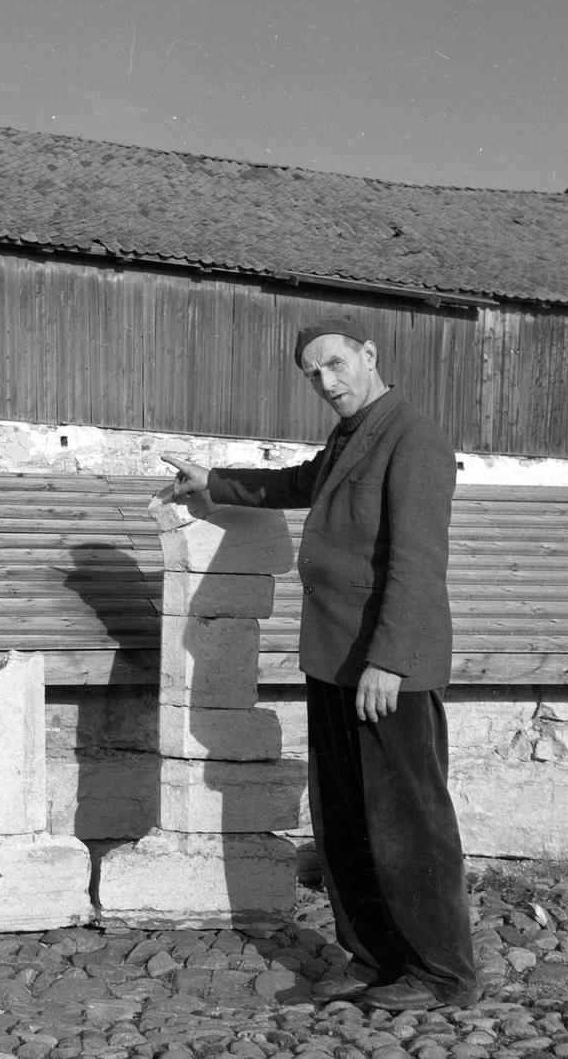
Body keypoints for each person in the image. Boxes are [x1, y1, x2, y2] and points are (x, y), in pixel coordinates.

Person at [162, 315, 478, 1012]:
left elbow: (418, 564)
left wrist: (388, 661)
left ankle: (441, 974)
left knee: (407, 823)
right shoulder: (351, 436)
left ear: (369, 355)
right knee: (345, 820)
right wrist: (211, 482)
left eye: (335, 364)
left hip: (383, 666)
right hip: (335, 656)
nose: (326, 381)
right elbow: (299, 483)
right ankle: (374, 960)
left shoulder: (414, 439)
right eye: (313, 373)